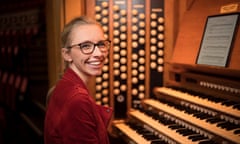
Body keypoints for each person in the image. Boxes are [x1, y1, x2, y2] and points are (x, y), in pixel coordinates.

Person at [44, 16, 113, 144]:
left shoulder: (65, 85)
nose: (98, 53)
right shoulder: (78, 100)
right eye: (86, 46)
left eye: (101, 44)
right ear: (67, 54)